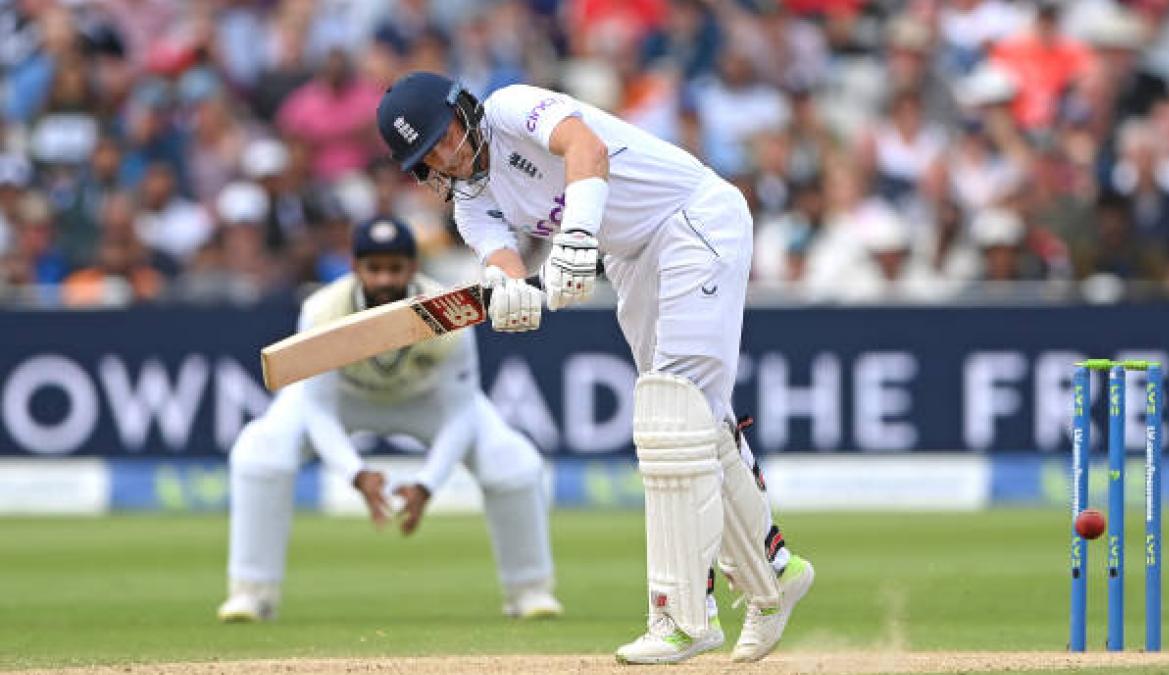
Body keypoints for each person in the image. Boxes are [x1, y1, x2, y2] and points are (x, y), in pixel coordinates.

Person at [375, 71, 813, 665]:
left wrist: (574, 239)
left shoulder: (509, 109)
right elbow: (501, 263)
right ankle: (774, 575)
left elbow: (587, 148)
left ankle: (683, 615)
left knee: (673, 414)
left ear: (465, 110)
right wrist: (510, 291)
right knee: (692, 419)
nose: (448, 158)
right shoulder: (472, 208)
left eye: (445, 136)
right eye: (429, 158)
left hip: (693, 217)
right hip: (630, 256)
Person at [217, 216, 562, 623]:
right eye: (374, 268)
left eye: (394, 268)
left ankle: (528, 592)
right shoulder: (323, 310)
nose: (384, 280)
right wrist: (357, 474)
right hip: (345, 397)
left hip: (424, 398)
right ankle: (252, 593)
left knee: (515, 463)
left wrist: (427, 485)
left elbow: (460, 413)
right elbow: (318, 410)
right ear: (356, 268)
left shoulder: (448, 311)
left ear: (413, 268)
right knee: (259, 454)